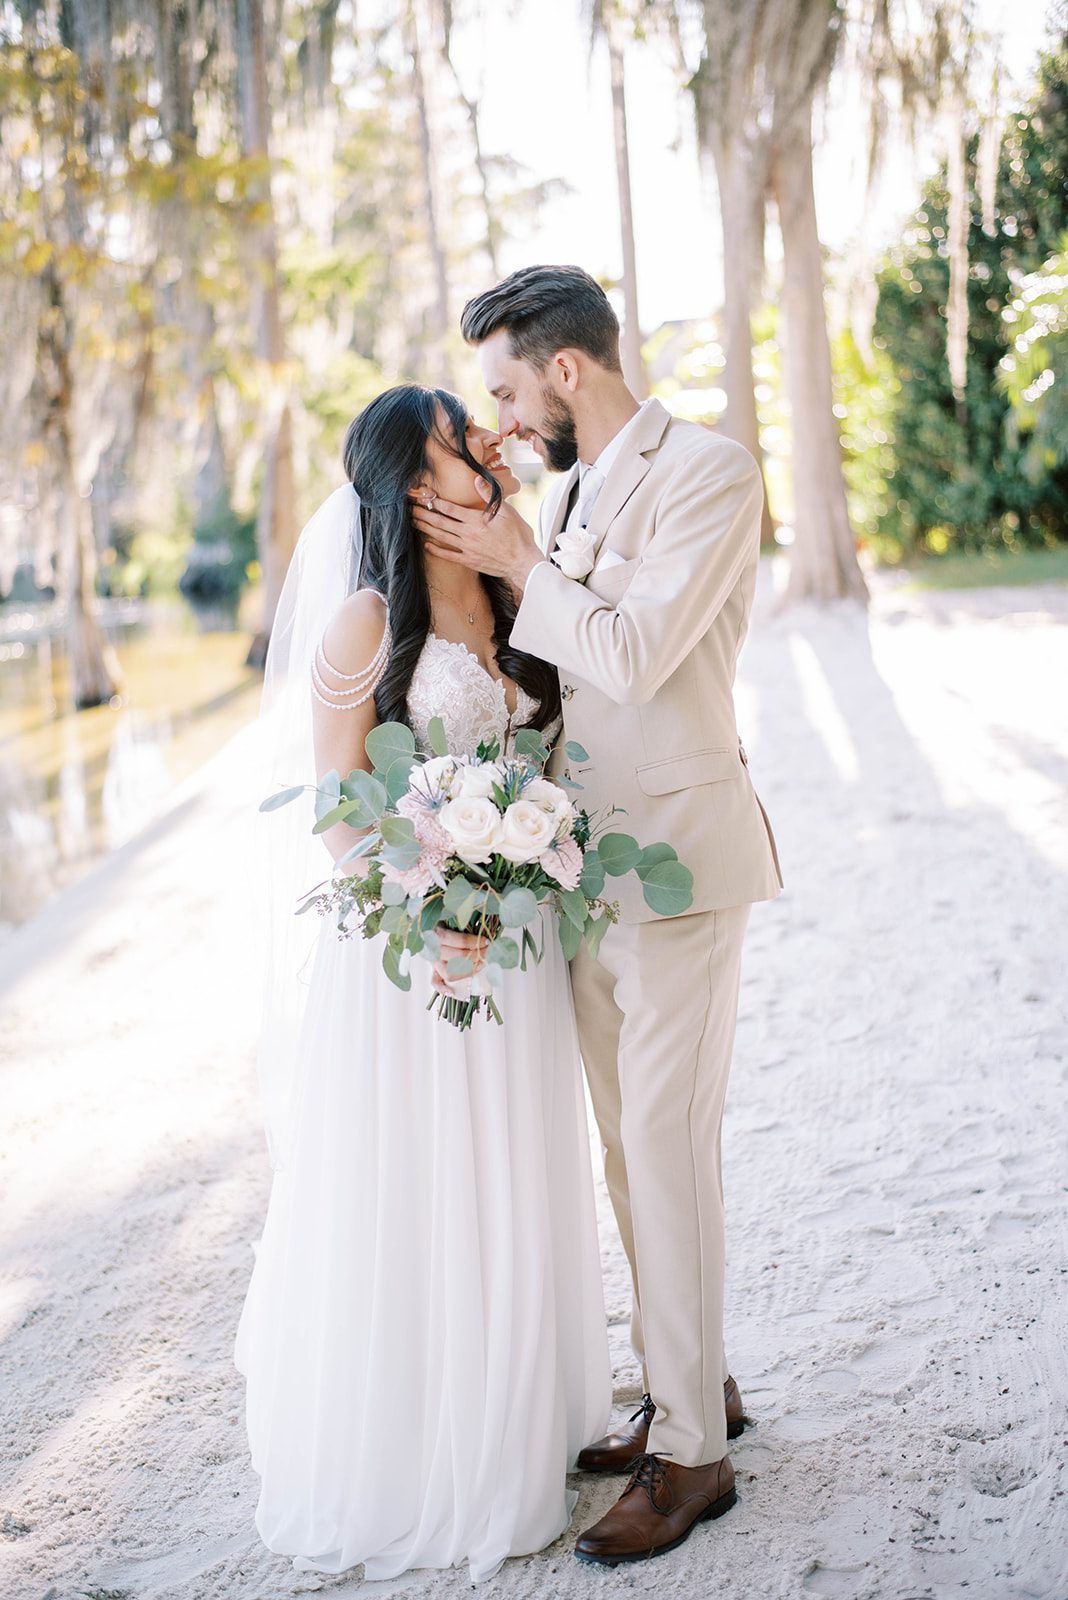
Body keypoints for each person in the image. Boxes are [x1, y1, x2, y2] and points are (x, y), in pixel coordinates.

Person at [414, 263, 783, 1567]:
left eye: (510, 387)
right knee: (633, 1156)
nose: (507, 419)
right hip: (581, 871)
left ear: (566, 369)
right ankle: (694, 1388)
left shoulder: (712, 473)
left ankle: (696, 1461)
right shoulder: (568, 494)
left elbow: (633, 654)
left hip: (684, 863)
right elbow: (557, 680)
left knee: (671, 1155)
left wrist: (518, 557)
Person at [234, 383, 612, 1583]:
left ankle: (528, 1421)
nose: (487, 447)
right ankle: (434, 1450)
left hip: (521, 949)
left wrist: (517, 878)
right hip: (416, 965)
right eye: (462, 438)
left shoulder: (516, 584)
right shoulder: (359, 625)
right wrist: (433, 907)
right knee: (427, 1188)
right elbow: (342, 813)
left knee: (517, 1174)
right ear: (412, 481)